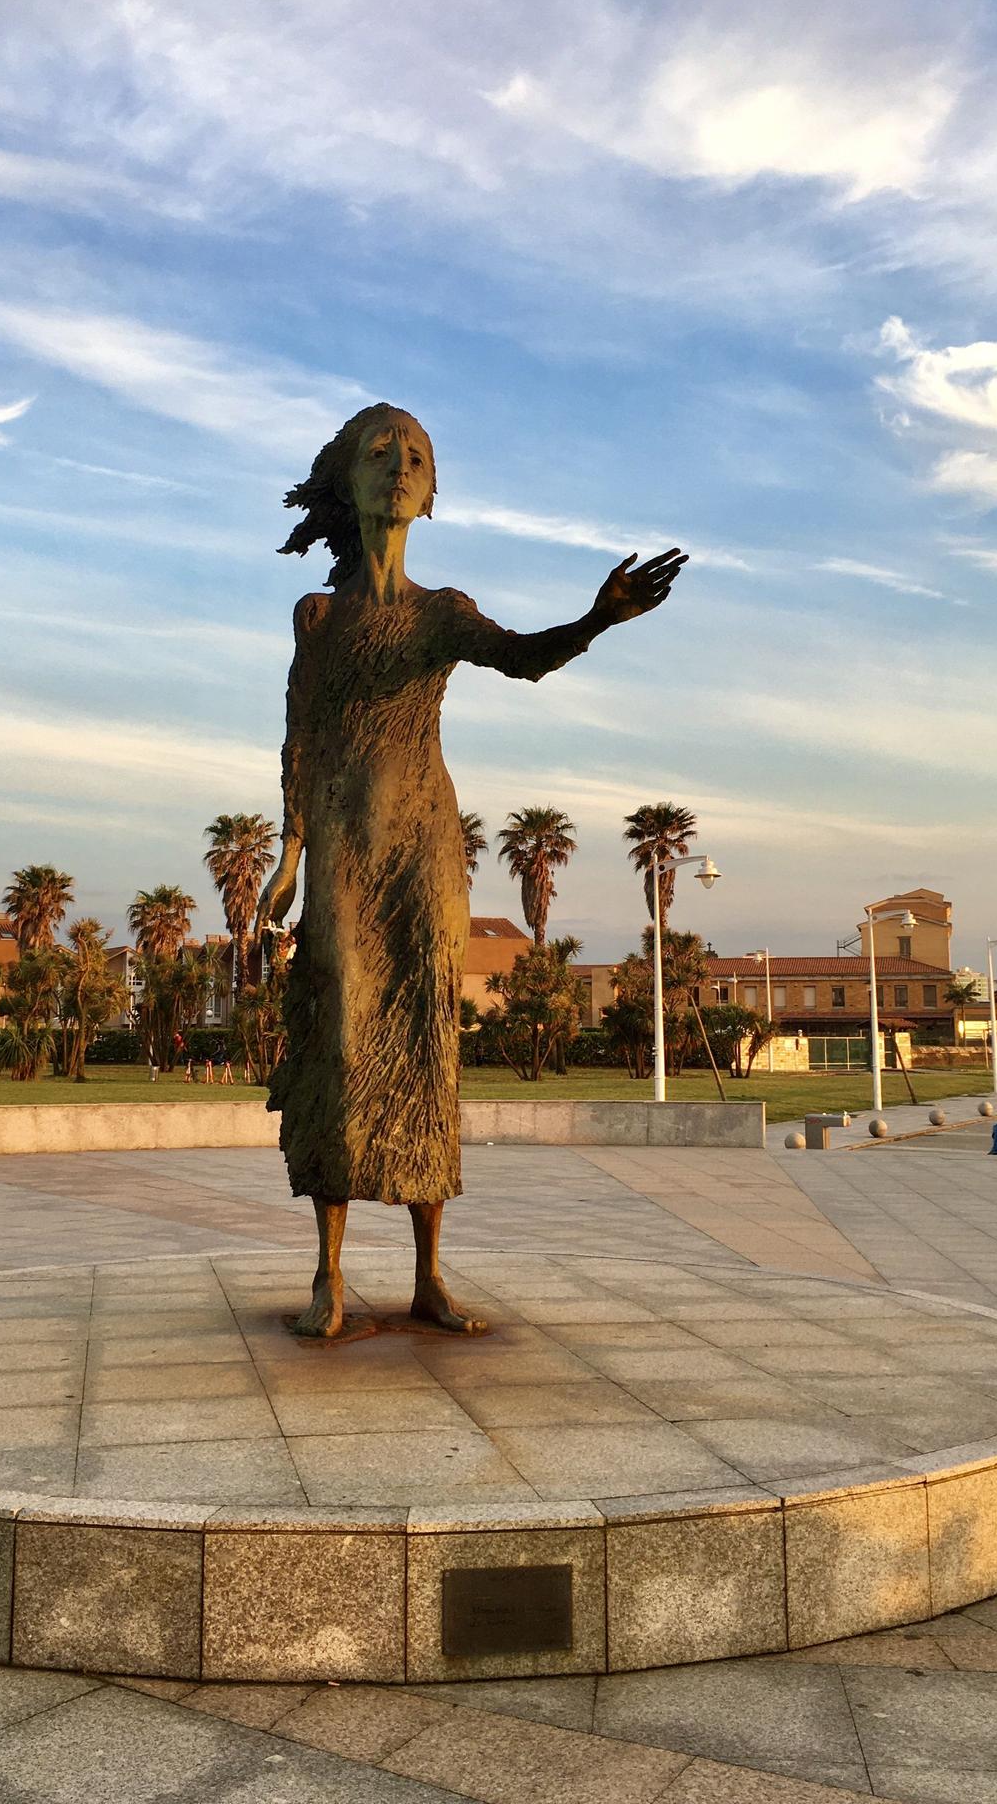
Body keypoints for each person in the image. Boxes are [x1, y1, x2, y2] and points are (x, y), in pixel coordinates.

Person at [256, 403, 685, 1337]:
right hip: (340, 847)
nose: (400, 467)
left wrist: (596, 621)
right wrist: (288, 852)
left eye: (417, 457)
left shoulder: (441, 614)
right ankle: (329, 1273)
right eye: (380, 453)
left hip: (421, 850)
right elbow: (303, 735)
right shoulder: (319, 617)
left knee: (422, 1037)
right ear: (346, 479)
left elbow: (521, 659)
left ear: (434, 492)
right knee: (339, 1033)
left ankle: (429, 1276)